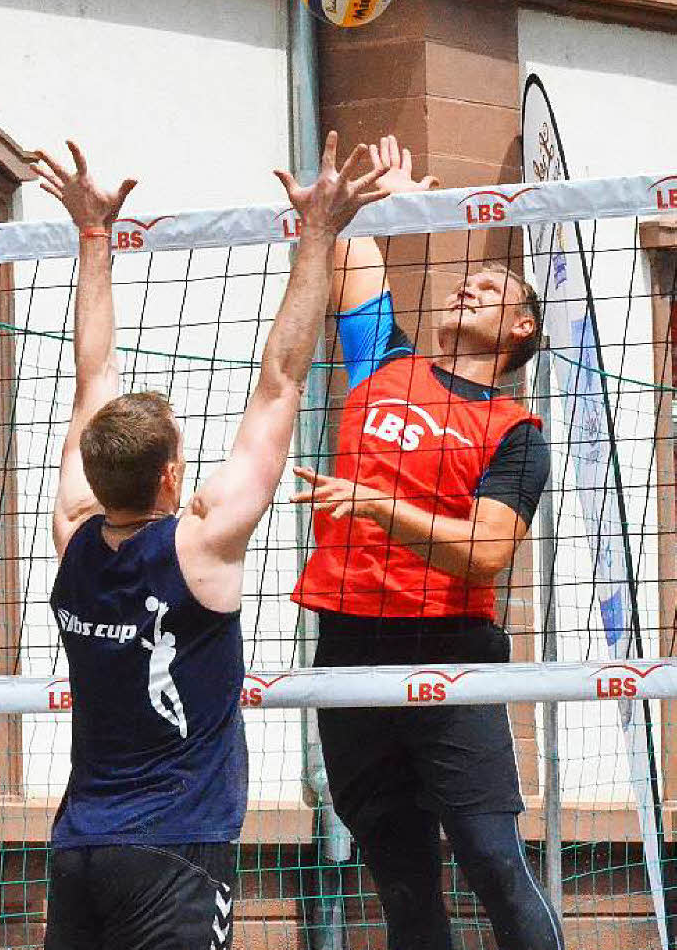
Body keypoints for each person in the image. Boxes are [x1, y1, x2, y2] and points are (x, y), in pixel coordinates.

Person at [30, 134, 389, 950]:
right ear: (168, 479)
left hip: (79, 845)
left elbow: (93, 379)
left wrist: (93, 241)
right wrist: (319, 236)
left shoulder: (73, 535)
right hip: (175, 850)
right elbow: (281, 382)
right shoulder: (200, 546)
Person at [291, 136, 563, 950]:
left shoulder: (513, 430)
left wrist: (379, 508)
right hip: (346, 648)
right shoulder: (383, 362)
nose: (467, 285)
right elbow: (350, 258)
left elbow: (485, 554)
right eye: (464, 279)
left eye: (491, 286)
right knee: (401, 881)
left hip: (448, 655)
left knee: (489, 861)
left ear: (519, 329)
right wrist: (387, 206)